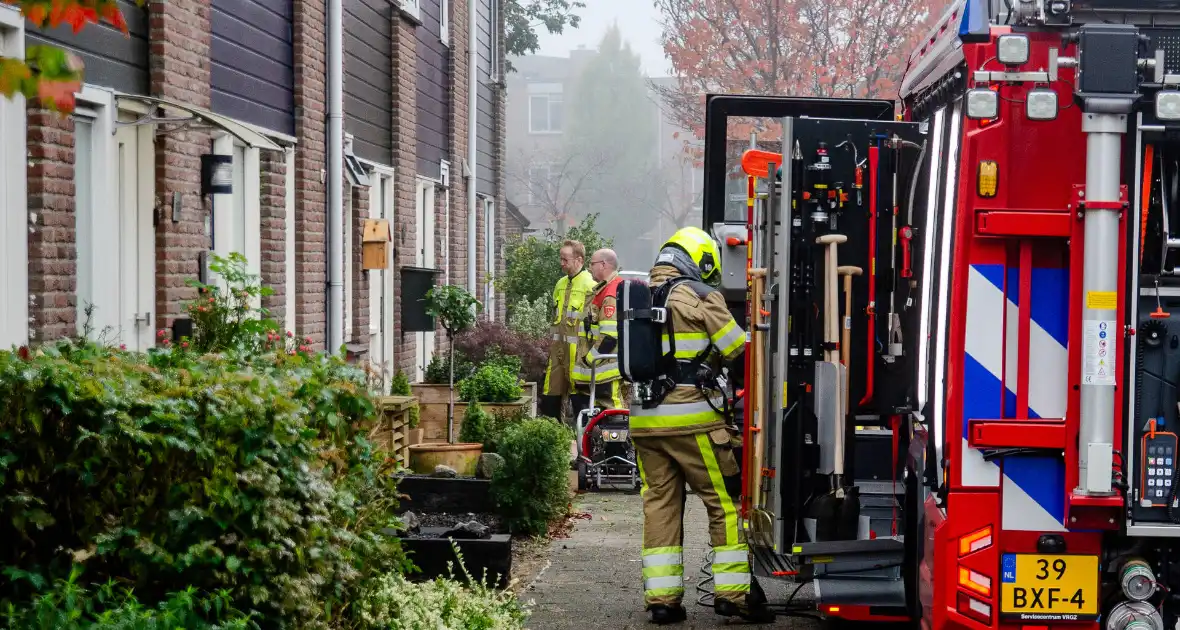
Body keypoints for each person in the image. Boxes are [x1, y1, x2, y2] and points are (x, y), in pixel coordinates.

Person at [630, 226, 771, 625]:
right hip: (693, 422)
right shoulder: (702, 295)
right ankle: (733, 595)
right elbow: (737, 350)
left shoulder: (639, 294)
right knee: (723, 504)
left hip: (644, 423)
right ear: (700, 261)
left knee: (659, 506)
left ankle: (662, 602)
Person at [540, 239, 597, 423]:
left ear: (579, 259)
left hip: (578, 356)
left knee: (580, 402)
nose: (561, 263)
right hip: (557, 352)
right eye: (561, 259)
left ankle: (584, 444)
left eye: (565, 259)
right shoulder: (560, 284)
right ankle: (553, 441)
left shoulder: (590, 285)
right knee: (550, 398)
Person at [572, 248, 624, 410]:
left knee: (613, 411)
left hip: (606, 369)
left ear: (603, 265)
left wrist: (589, 359)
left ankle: (624, 436)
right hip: (600, 369)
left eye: (592, 264)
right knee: (599, 413)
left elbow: (609, 336)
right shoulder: (604, 289)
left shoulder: (610, 292)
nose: (589, 267)